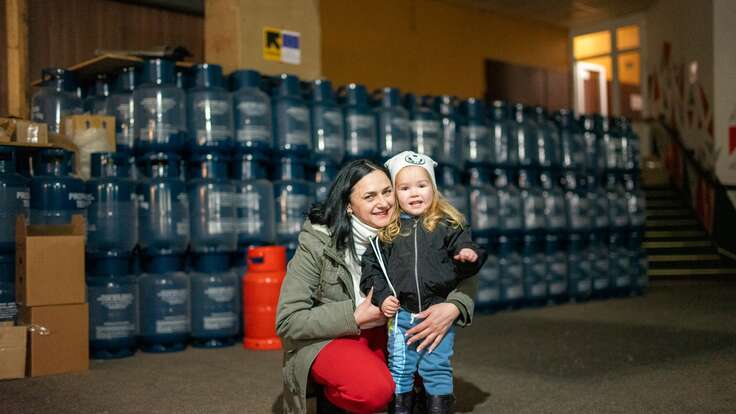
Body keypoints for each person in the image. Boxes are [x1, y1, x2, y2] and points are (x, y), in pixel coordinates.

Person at [276, 159, 477, 414]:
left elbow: (467, 270)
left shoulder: (410, 230)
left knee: (425, 377)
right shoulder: (317, 242)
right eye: (369, 196)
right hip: (333, 337)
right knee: (374, 389)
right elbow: (288, 321)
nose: (383, 203)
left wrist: (454, 306)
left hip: (391, 329)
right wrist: (354, 316)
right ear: (349, 206)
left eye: (387, 192)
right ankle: (330, 399)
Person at [360, 151, 487, 414]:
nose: (415, 193)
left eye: (422, 185)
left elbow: (468, 249)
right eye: (405, 188)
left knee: (436, 365)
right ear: (394, 194)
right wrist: (383, 297)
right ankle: (401, 408)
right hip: (402, 314)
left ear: (434, 188)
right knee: (400, 366)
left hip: (436, 310)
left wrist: (468, 257)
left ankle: (438, 407)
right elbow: (372, 270)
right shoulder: (387, 233)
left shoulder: (448, 225)